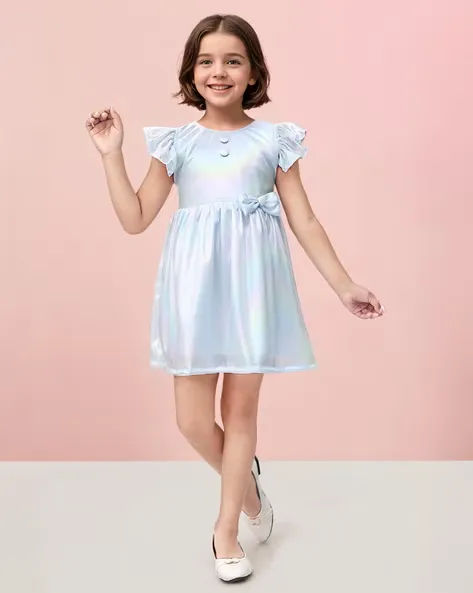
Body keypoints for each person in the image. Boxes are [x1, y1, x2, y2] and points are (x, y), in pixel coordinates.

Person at [85, 13, 385, 583]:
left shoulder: (273, 140)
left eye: (232, 61)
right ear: (190, 71)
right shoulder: (176, 143)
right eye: (206, 61)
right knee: (192, 421)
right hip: (193, 292)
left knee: (240, 412)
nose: (218, 71)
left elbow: (305, 220)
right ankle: (251, 492)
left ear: (253, 72)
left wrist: (344, 284)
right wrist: (110, 155)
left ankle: (226, 531)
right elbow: (135, 218)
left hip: (253, 289)